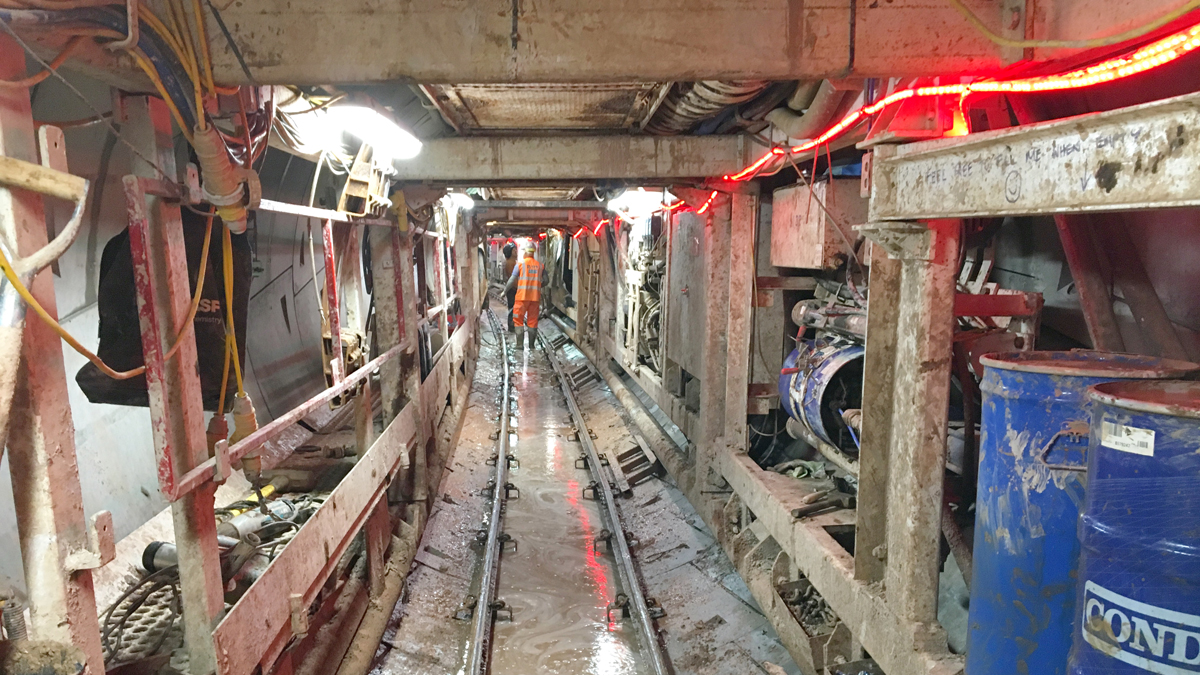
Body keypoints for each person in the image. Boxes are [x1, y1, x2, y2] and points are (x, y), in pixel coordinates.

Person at [504, 244, 542, 348]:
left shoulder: (520, 264)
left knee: (518, 320)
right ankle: (531, 345)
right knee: (532, 321)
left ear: (525, 252)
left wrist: (504, 291)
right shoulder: (540, 265)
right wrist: (537, 285)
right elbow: (546, 280)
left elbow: (511, 280)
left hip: (522, 298)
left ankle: (519, 345)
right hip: (535, 298)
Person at [502, 242, 517, 331]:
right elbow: (513, 279)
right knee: (513, 308)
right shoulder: (510, 263)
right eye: (514, 250)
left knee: (513, 308)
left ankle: (512, 325)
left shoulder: (512, 262)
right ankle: (512, 326)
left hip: (512, 289)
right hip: (513, 289)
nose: (516, 251)